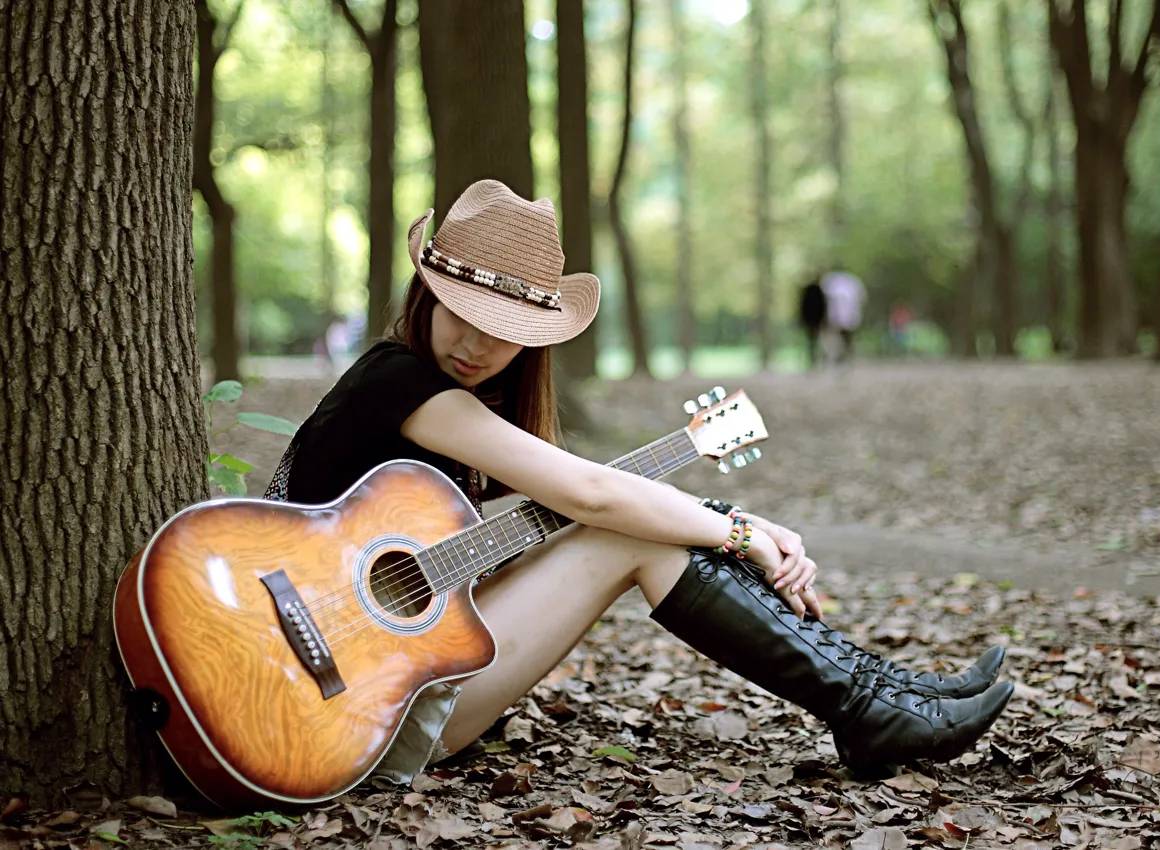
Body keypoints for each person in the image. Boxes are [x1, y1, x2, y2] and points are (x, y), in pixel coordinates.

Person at [265, 180, 1014, 786]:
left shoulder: (441, 406)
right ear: (426, 295)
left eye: (504, 328)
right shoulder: (402, 382)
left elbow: (551, 509)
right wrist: (743, 532)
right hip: (354, 710)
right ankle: (870, 707)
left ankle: (883, 695)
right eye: (461, 313)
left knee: (651, 524)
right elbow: (590, 497)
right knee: (627, 532)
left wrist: (721, 515)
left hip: (379, 675)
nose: (477, 342)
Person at [821, 266, 867, 363]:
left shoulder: (830, 282)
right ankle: (840, 355)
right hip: (841, 318)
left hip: (841, 318)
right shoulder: (851, 282)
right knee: (839, 338)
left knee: (840, 337)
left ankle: (842, 356)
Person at [797, 274, 828, 369]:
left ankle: (814, 358)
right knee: (815, 339)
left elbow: (802, 306)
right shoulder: (819, 291)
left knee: (811, 339)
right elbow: (824, 306)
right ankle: (814, 358)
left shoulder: (808, 291)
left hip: (811, 319)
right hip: (815, 319)